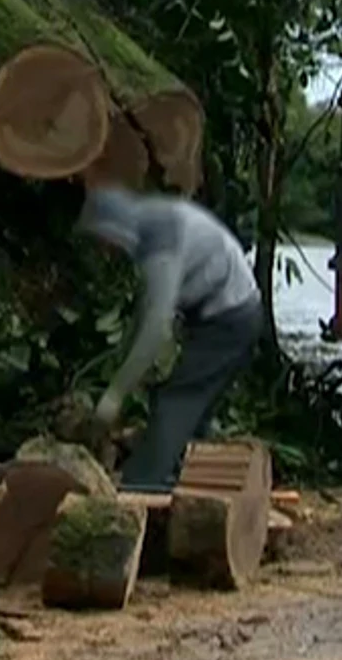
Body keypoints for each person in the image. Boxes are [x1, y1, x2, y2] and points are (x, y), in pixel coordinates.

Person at [76, 186, 263, 492]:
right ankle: (194, 485)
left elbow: (155, 327)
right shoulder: (150, 219)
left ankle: (142, 487)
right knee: (194, 412)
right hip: (229, 313)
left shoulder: (159, 242)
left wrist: (115, 393)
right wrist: (126, 366)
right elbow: (145, 312)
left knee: (176, 398)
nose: (105, 251)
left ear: (113, 230)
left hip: (231, 317)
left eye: (103, 242)